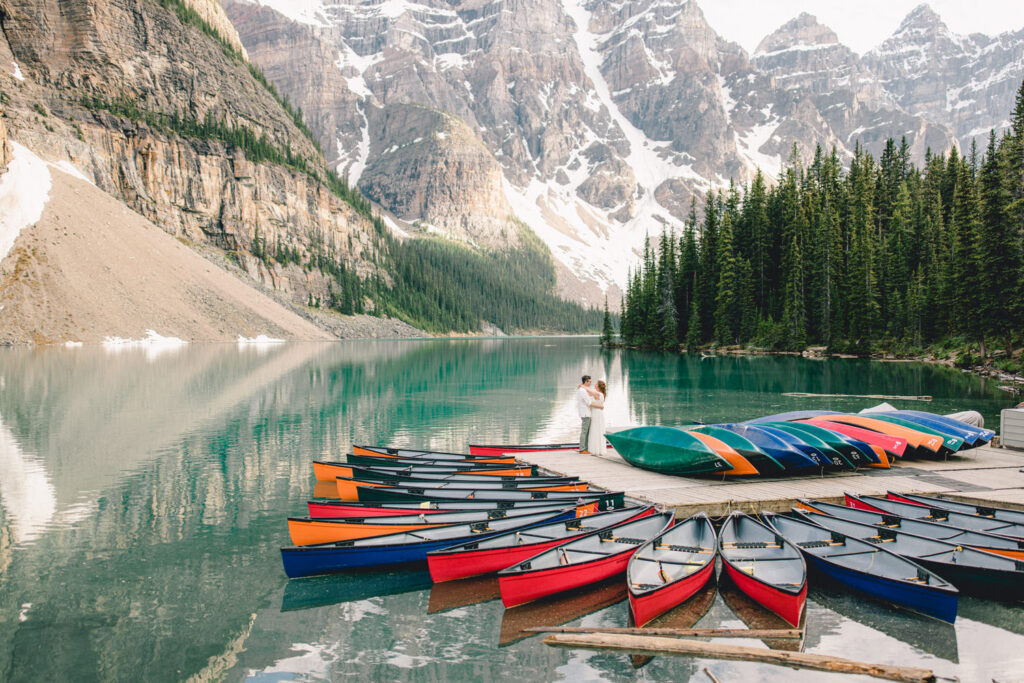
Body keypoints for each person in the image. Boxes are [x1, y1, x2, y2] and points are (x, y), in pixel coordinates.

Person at [587, 380, 607, 454]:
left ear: (598, 386)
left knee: (595, 429)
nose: (594, 385)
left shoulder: (598, 394)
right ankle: (599, 449)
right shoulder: (601, 394)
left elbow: (591, 402)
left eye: (596, 384)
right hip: (599, 413)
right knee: (598, 429)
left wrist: (582, 386)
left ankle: (595, 449)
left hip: (596, 413)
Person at [576, 375, 595, 454]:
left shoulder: (583, 390)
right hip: (585, 413)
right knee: (584, 431)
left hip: (586, 412)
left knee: (586, 431)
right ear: (586, 381)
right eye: (589, 381)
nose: (590, 382)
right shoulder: (582, 391)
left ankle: (585, 448)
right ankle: (582, 449)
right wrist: (599, 406)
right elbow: (588, 402)